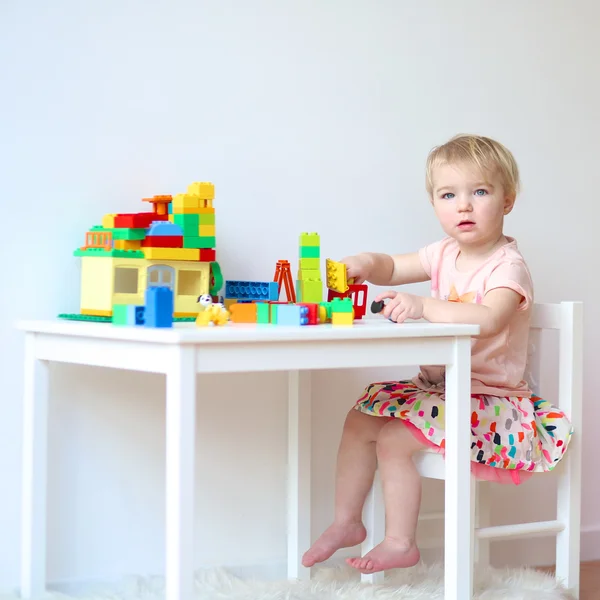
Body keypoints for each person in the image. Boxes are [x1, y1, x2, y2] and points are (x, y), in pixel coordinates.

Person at [301, 134, 573, 575]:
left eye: (479, 192)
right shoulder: (443, 252)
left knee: (393, 437)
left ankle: (400, 542)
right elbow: (393, 267)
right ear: (434, 204)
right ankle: (346, 522)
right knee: (361, 417)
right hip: (445, 392)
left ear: (507, 201)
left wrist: (425, 306)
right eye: (449, 195)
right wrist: (366, 263)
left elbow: (487, 319)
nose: (463, 206)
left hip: (493, 404)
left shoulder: (508, 266)